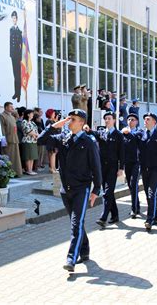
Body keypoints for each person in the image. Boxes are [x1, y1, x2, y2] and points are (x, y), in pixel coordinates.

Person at [37, 109, 102, 272]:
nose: (69, 121)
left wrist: (96, 190)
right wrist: (54, 126)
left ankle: (71, 258)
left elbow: (96, 167)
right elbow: (40, 140)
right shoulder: (63, 138)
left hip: (82, 188)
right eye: (68, 119)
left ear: (82, 122)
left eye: (72, 119)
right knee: (77, 223)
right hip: (66, 189)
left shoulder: (88, 142)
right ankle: (85, 250)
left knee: (76, 223)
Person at [124, 112, 157, 230]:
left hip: (155, 169)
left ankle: (149, 219)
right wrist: (126, 133)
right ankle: (155, 216)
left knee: (151, 193)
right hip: (144, 169)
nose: (145, 121)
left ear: (154, 122)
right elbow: (130, 140)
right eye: (145, 119)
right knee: (149, 195)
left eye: (148, 119)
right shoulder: (140, 134)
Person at [88, 112, 125, 228]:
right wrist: (88, 130)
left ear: (114, 120)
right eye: (105, 119)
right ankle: (115, 215)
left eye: (109, 118)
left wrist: (121, 168)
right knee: (108, 192)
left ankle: (103, 217)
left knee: (107, 192)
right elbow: (94, 133)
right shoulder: (102, 132)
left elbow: (122, 154)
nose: (107, 120)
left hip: (113, 167)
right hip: (102, 166)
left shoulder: (118, 135)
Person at [123, 113, 141, 218]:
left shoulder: (139, 132)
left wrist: (128, 133)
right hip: (127, 162)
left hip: (137, 162)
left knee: (133, 184)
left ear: (137, 122)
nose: (130, 121)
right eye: (129, 119)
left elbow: (136, 139)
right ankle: (137, 205)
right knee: (130, 185)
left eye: (133, 119)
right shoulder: (124, 133)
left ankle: (134, 209)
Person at [0, 102, 23, 177]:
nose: (12, 108)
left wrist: (15, 113)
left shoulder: (12, 117)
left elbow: (16, 122)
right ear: (6, 107)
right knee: (9, 157)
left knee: (15, 158)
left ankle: (16, 172)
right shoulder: (2, 116)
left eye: (12, 107)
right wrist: (4, 140)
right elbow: (2, 129)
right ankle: (8, 173)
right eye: (10, 107)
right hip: (8, 140)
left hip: (14, 139)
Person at [21, 109, 39, 175]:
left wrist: (36, 135)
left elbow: (36, 129)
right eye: (31, 113)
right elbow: (27, 130)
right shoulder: (24, 121)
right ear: (28, 114)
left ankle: (31, 169)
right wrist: (35, 134)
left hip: (33, 140)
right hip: (27, 140)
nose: (33, 115)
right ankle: (28, 170)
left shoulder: (32, 122)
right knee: (28, 156)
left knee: (32, 156)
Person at [10, 10, 22, 102]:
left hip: (18, 55)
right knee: (15, 75)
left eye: (15, 18)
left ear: (17, 19)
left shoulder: (19, 31)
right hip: (13, 55)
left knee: (18, 76)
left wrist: (20, 56)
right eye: (12, 18)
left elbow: (21, 45)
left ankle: (19, 94)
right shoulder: (11, 29)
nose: (13, 19)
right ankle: (15, 92)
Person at [45, 109, 60, 173]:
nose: (55, 114)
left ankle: (53, 168)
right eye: (53, 113)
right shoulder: (49, 121)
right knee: (52, 153)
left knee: (53, 154)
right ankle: (52, 168)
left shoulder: (51, 121)